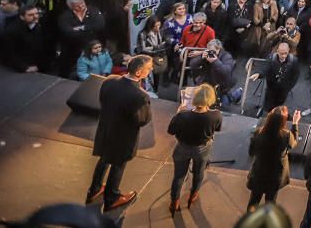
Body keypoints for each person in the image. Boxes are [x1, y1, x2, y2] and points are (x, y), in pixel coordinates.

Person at [86, 55, 154, 212]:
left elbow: (102, 100)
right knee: (118, 164)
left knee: (104, 159)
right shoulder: (140, 95)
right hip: (123, 137)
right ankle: (112, 198)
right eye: (149, 68)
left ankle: (94, 189)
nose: (151, 70)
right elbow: (143, 120)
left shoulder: (109, 80)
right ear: (138, 72)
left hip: (106, 129)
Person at [167, 84, 222, 215]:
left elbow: (171, 130)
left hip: (183, 147)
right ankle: (193, 196)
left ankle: (174, 202)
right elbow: (217, 129)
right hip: (202, 149)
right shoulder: (216, 115)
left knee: (179, 176)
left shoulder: (182, 116)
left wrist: (178, 113)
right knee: (198, 173)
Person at [247, 106, 300, 211]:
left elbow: (251, 152)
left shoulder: (259, 133)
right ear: (283, 122)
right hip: (275, 176)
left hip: (259, 173)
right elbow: (294, 143)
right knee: (270, 202)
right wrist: (295, 123)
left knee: (254, 200)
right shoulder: (286, 135)